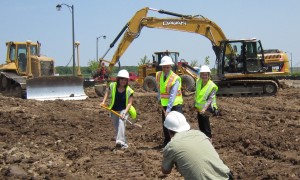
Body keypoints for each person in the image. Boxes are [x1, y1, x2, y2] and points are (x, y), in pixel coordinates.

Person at [161, 111, 233, 179]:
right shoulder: (199, 134)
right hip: (227, 176)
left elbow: (166, 170)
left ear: (168, 129)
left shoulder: (172, 145)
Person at [101, 69, 136, 149]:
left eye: (125, 80)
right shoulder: (112, 85)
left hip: (124, 110)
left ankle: (119, 142)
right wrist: (103, 102)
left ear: (127, 81)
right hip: (114, 110)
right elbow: (107, 92)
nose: (123, 81)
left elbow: (130, 103)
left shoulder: (129, 90)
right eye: (121, 79)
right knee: (118, 128)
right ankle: (124, 144)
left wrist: (125, 112)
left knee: (121, 122)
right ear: (118, 79)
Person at [156, 56, 183, 147]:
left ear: (170, 67)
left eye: (167, 67)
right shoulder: (159, 75)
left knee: (177, 124)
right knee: (166, 124)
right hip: (164, 104)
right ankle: (167, 142)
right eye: (164, 67)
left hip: (175, 105)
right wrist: (159, 97)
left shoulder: (175, 78)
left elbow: (172, 95)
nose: (166, 69)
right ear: (162, 67)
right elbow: (159, 87)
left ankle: (178, 143)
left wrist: (168, 110)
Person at [194, 65, 219, 140]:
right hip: (199, 108)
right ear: (200, 75)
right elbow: (197, 93)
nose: (204, 76)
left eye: (206, 75)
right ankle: (203, 140)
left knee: (206, 126)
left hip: (207, 108)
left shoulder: (212, 86)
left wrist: (204, 109)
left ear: (208, 75)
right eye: (202, 74)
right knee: (201, 126)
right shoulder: (198, 81)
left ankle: (209, 140)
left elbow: (210, 99)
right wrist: (195, 103)